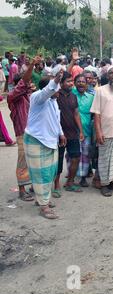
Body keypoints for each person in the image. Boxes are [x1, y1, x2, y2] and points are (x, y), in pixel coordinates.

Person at [24, 70, 66, 219]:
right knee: (41, 175)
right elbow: (48, 90)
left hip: (50, 142)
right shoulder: (37, 97)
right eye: (57, 87)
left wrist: (61, 134)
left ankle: (42, 199)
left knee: (50, 173)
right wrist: (55, 80)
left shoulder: (53, 102)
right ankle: (44, 206)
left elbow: (56, 120)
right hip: (37, 141)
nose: (59, 90)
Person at [7, 56, 41, 201]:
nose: (31, 85)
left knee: (33, 161)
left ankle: (33, 185)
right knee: (23, 162)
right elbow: (25, 81)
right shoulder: (13, 96)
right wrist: (32, 64)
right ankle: (21, 190)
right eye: (29, 83)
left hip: (34, 133)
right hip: (22, 134)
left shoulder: (29, 95)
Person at [90, 66, 113, 197]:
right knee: (104, 159)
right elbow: (96, 113)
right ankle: (104, 184)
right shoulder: (100, 90)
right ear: (107, 76)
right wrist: (98, 132)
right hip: (105, 131)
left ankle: (112, 182)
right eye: (112, 73)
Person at [54, 72, 84, 196]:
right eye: (68, 81)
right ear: (61, 83)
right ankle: (56, 185)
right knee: (58, 160)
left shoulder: (73, 96)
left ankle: (70, 183)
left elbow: (76, 114)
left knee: (76, 157)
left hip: (73, 133)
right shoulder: (55, 95)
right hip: (59, 134)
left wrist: (81, 131)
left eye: (72, 81)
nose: (71, 83)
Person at [68, 74, 94, 188]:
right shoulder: (71, 94)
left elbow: (94, 115)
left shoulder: (91, 97)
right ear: (74, 83)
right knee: (71, 155)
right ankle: (71, 177)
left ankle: (83, 177)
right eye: (78, 81)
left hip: (87, 131)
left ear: (87, 84)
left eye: (83, 82)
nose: (81, 83)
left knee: (85, 155)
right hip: (72, 131)